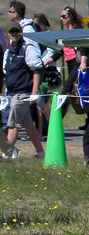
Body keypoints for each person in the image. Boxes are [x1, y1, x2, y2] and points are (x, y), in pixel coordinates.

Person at [2, 27, 45, 159]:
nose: (14, 34)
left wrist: (34, 92)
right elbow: (5, 73)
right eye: (11, 31)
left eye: (17, 31)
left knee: (13, 123)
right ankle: (41, 152)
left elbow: (36, 69)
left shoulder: (27, 48)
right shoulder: (9, 52)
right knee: (27, 124)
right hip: (12, 92)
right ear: (8, 34)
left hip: (23, 92)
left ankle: (7, 153)